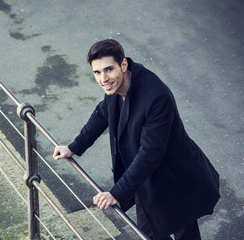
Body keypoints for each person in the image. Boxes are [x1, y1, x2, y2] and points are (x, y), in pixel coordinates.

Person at [53, 39, 220, 240]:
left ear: (123, 65)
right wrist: (73, 147)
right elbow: (101, 115)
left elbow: (150, 153)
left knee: (185, 233)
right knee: (147, 234)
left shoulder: (156, 96)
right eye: (97, 72)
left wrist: (115, 193)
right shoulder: (114, 88)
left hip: (176, 180)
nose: (103, 78)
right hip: (146, 180)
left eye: (108, 70)